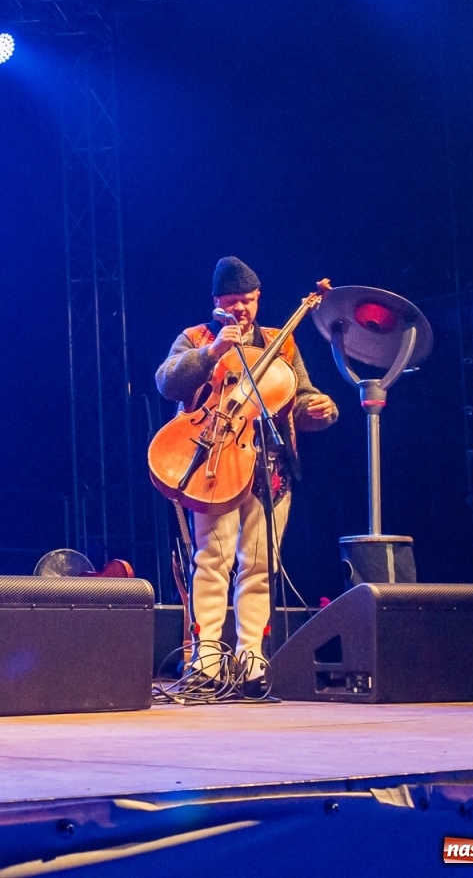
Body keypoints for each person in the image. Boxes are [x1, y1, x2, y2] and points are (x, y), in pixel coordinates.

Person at [155, 256, 339, 685]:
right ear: (217, 302)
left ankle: (251, 657)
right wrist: (212, 352)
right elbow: (166, 382)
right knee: (212, 560)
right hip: (214, 461)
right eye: (233, 301)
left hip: (268, 467)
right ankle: (207, 658)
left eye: (249, 300)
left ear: (259, 299)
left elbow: (299, 398)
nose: (241, 308)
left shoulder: (282, 341)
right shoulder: (195, 336)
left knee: (259, 565)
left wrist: (320, 409)